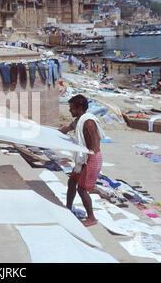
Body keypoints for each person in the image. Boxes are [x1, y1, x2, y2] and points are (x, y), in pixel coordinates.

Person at [58, 94, 105, 227]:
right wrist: (56, 133)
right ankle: (68, 207)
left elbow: (95, 136)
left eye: (71, 108)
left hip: (92, 157)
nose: (69, 110)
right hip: (84, 157)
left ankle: (91, 218)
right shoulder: (78, 121)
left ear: (79, 108)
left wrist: (94, 148)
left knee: (82, 189)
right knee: (72, 181)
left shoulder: (88, 121)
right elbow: (67, 129)